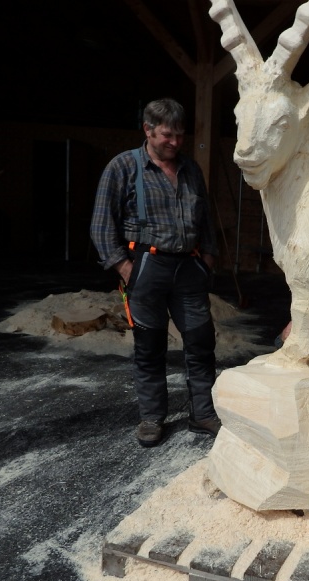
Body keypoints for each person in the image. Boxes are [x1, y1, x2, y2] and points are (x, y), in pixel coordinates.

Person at [90, 98, 221, 447]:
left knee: (201, 343)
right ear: (147, 130)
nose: (175, 142)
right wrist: (125, 268)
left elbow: (206, 220)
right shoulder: (123, 167)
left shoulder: (191, 170)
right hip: (146, 266)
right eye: (167, 135)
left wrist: (208, 259)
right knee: (149, 347)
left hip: (189, 268)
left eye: (180, 135)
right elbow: (101, 225)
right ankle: (151, 418)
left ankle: (203, 413)